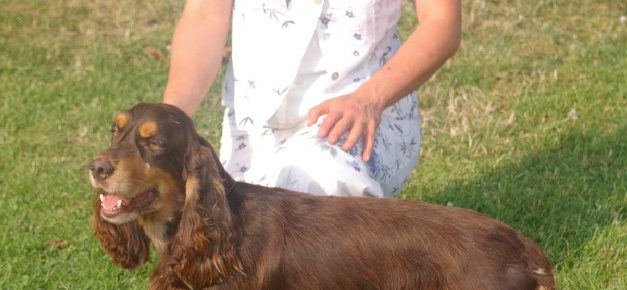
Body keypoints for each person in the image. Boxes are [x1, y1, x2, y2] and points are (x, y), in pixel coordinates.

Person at [163, 0, 461, 197]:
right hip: (253, 128)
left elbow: (441, 23)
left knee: (309, 194)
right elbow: (204, 15)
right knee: (239, 240)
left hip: (359, 113)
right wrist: (170, 117)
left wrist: (369, 99)